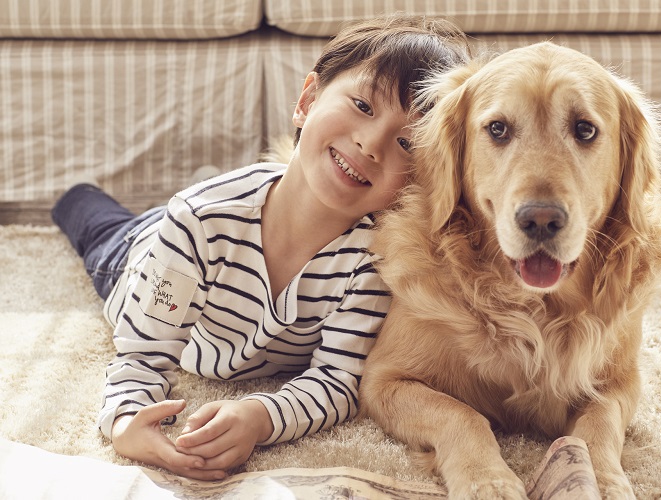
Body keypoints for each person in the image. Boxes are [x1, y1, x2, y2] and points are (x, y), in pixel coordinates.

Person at [51, 15, 470, 481]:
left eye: (407, 143)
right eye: (362, 106)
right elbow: (141, 356)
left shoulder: (376, 258)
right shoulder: (197, 220)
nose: (371, 145)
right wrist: (126, 422)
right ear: (307, 100)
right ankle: (76, 195)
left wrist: (261, 416)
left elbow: (339, 381)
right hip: (137, 260)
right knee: (96, 225)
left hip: (210, 240)